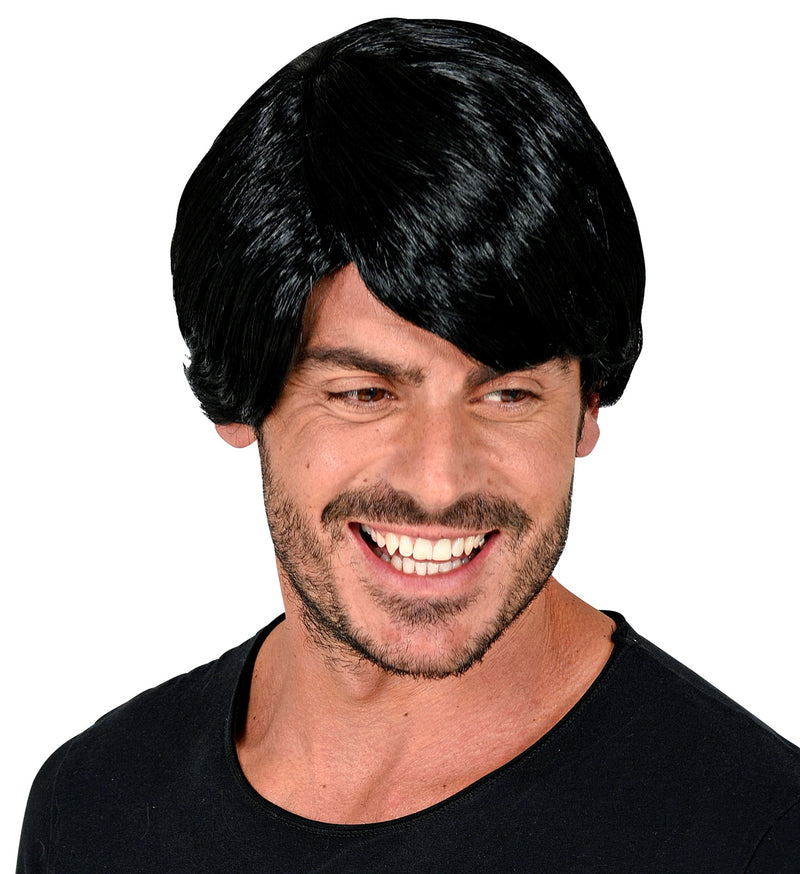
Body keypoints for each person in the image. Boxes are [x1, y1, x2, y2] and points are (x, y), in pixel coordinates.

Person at [17, 17, 800, 872]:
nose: (439, 480)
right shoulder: (95, 809)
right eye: (365, 394)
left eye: (507, 394)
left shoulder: (753, 835)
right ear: (242, 399)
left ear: (586, 408)